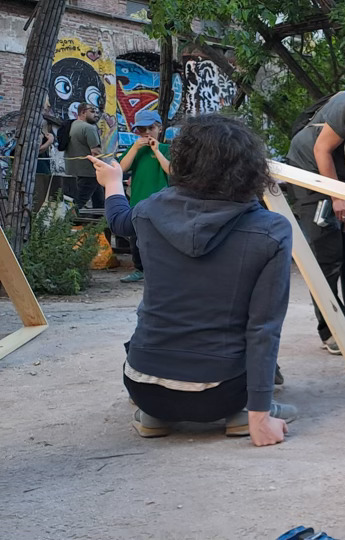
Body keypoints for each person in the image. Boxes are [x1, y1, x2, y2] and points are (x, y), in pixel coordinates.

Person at [91, 114, 298, 446]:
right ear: (251, 169)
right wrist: (262, 415)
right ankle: (244, 415)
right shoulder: (271, 230)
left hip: (143, 385)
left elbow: (118, 221)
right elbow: (263, 327)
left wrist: (114, 182)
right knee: (243, 347)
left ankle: (157, 416)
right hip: (221, 393)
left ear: (182, 161)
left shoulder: (148, 210)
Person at [285, 81, 345, 355]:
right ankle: (331, 329)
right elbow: (322, 150)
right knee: (328, 255)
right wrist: (336, 197)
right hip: (311, 173)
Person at [116, 110, 172, 283]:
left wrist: (157, 151)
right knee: (136, 238)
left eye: (151, 128)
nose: (147, 132)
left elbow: (171, 170)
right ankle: (139, 269)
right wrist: (135, 147)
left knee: (161, 238)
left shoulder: (167, 149)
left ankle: (161, 270)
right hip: (138, 201)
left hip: (162, 202)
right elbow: (121, 168)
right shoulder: (136, 151)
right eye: (142, 129)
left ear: (159, 129)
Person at [64, 104, 104, 209]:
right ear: (83, 112)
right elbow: (96, 152)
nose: (96, 114)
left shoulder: (72, 125)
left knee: (100, 201)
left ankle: (99, 223)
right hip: (88, 173)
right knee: (78, 204)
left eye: (97, 112)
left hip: (73, 171)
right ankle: (65, 223)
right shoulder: (89, 128)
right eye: (92, 111)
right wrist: (104, 168)